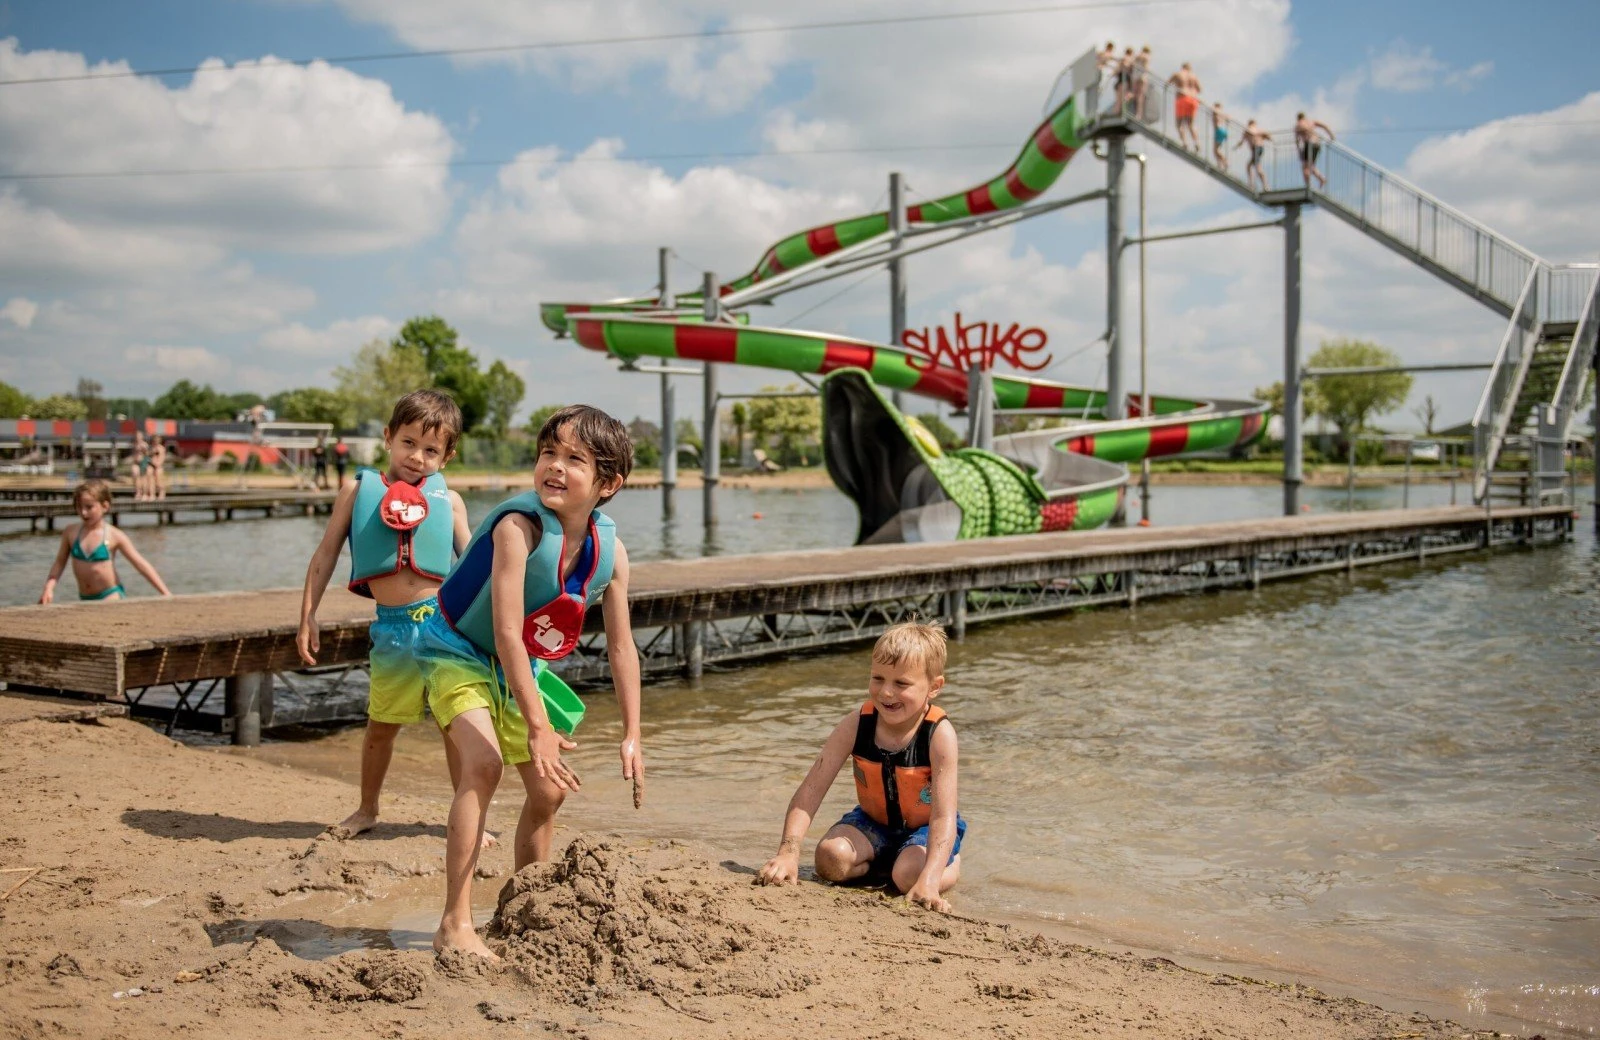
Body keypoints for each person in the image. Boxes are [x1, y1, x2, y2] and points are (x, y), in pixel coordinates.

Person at [416, 404, 643, 961]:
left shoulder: (610, 554)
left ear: (608, 484)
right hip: (455, 650)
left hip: (516, 665)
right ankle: (454, 923)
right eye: (548, 453)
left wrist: (633, 732)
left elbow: (621, 646)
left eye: (575, 459)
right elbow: (506, 633)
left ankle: (525, 905)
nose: (555, 467)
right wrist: (538, 728)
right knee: (484, 765)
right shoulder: (517, 530)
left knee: (549, 789)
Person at [297, 389, 473, 841]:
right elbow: (324, 555)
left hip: (444, 627)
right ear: (388, 436)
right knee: (381, 726)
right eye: (408, 443)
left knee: (456, 728)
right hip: (392, 630)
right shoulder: (357, 491)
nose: (417, 457)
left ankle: (468, 816)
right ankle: (367, 808)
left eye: (431, 450)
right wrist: (308, 615)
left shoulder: (449, 501)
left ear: (447, 456)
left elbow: (475, 567)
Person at [757, 621, 964, 913]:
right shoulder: (857, 724)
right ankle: (886, 861)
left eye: (901, 683)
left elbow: (944, 817)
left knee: (908, 878)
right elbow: (811, 790)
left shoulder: (938, 735)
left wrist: (929, 880)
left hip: (926, 830)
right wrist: (788, 854)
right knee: (830, 859)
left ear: (934, 687)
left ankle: (944, 864)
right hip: (872, 824)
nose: (886, 693)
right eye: (878, 678)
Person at [39, 480, 171, 603]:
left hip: (110, 595)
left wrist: (165, 593)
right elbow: (59, 563)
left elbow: (140, 564)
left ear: (105, 506)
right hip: (85, 598)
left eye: (89, 507)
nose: (84, 512)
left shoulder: (114, 535)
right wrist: (49, 588)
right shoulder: (71, 532)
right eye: (79, 507)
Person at [1168, 63, 1204, 150]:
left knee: (1179, 124)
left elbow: (1168, 83)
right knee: (1191, 124)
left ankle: (1185, 142)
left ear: (1182, 67)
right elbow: (1200, 89)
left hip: (1182, 98)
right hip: (1193, 100)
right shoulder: (1193, 76)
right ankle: (1197, 143)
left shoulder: (1178, 74)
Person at [1295, 111, 1335, 189]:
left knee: (1305, 167)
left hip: (1309, 144)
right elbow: (1325, 126)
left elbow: (1297, 140)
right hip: (1317, 144)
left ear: (1298, 118)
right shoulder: (1311, 122)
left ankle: (1308, 185)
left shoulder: (1298, 124)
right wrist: (1331, 136)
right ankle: (1321, 179)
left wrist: (1299, 151)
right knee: (1310, 166)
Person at [1236, 118, 1271, 191]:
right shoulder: (1258, 130)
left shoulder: (1250, 129)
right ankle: (1252, 183)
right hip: (1258, 149)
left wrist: (1238, 145)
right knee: (1249, 166)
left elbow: (1243, 140)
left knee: (1258, 168)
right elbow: (1267, 136)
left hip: (1256, 149)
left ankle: (1265, 186)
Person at [1113, 46, 1136, 115]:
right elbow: (1125, 66)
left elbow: (1116, 72)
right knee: (1121, 99)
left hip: (1122, 81)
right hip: (1124, 81)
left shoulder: (1123, 59)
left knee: (1119, 100)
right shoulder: (1128, 59)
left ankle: (1117, 113)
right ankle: (1118, 113)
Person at [1133, 46, 1152, 120]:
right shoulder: (1146, 56)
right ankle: (1139, 114)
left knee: (1135, 95)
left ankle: (1137, 113)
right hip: (1142, 76)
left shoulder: (1138, 56)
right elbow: (1146, 68)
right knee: (1140, 96)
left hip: (1136, 77)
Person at [131, 431, 150, 501]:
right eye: (137, 436)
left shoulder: (144, 445)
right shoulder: (134, 445)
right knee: (135, 475)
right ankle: (138, 492)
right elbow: (133, 455)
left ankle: (145, 494)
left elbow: (147, 455)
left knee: (143, 478)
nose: (138, 437)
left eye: (139, 436)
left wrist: (143, 450)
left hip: (143, 463)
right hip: (136, 463)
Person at [1211, 102, 1230, 170]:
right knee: (1216, 150)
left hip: (1218, 130)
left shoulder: (1216, 111)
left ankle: (1225, 162)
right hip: (1222, 131)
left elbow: (1212, 109)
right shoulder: (1221, 114)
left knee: (1216, 151)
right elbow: (1228, 117)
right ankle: (1220, 164)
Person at [149, 435, 168, 501]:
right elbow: (149, 457)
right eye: (155, 439)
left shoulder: (161, 448)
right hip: (152, 466)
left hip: (158, 467)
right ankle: (152, 494)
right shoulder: (152, 448)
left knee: (159, 479)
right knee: (151, 479)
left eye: (157, 439)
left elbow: (162, 459)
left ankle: (162, 493)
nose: (156, 441)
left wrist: (157, 465)